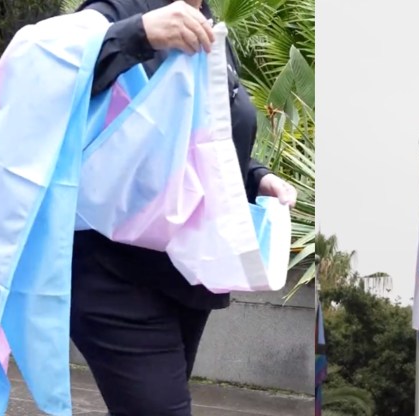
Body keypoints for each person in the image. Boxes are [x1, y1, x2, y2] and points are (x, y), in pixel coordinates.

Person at [69, 1, 298, 414]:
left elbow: (203, 137)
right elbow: (53, 80)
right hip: (114, 274)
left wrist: (257, 175)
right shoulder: (117, 10)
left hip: (188, 274)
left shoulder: (209, 23)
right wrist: (140, 33)